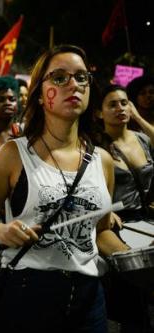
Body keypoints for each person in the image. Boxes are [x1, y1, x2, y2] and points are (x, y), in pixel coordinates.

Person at [0, 44, 130, 332]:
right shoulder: (13, 155)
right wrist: (2, 231)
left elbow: (101, 231)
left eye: (81, 77)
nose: (73, 85)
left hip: (89, 298)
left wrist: (132, 258)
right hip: (29, 294)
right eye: (59, 78)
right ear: (40, 95)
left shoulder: (102, 161)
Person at [93, 84, 153, 333]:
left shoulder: (141, 138)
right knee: (131, 299)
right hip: (116, 224)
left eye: (124, 103)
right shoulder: (96, 146)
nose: (120, 108)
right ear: (99, 113)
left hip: (147, 221)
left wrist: (138, 116)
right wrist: (107, 210)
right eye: (113, 104)